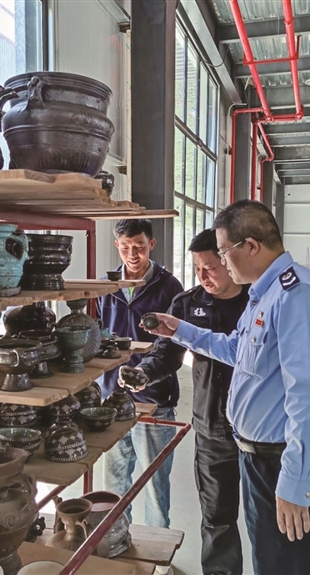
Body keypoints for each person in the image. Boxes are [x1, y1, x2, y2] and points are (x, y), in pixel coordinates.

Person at [142, 200, 310, 575]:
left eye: (223, 252)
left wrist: (296, 482)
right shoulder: (263, 294)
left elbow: (309, 396)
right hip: (259, 458)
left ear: (251, 246)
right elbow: (238, 350)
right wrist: (181, 330)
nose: (221, 261)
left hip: (283, 461)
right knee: (266, 561)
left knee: (283, 568)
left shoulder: (296, 295)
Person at [123, 228, 249, 575]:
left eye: (211, 268)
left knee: (266, 517)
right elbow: (166, 353)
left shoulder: (259, 302)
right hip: (212, 428)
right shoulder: (188, 304)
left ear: (230, 261)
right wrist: (144, 372)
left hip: (259, 431)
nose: (203, 277)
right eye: (197, 269)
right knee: (217, 518)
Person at [96, 218, 184, 533]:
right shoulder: (105, 287)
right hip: (112, 397)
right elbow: (95, 333)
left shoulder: (169, 287)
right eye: (126, 247)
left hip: (154, 397)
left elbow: (174, 344)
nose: (133, 254)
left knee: (155, 482)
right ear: (117, 245)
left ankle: (158, 548)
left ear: (151, 245)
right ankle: (117, 538)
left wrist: (147, 373)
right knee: (115, 481)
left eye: (140, 247)